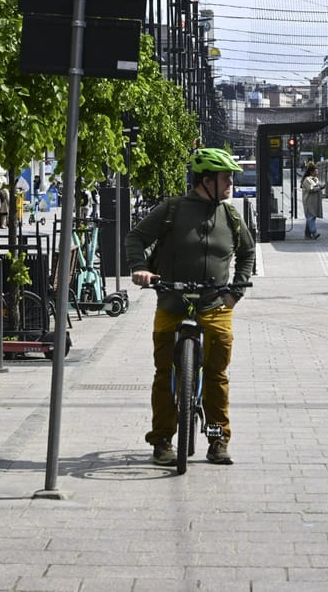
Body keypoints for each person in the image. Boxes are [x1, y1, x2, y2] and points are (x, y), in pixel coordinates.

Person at [124, 147, 256, 467]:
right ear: (206, 181)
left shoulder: (230, 216)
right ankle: (162, 441)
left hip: (215, 305)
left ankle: (216, 439)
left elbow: (247, 253)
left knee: (216, 376)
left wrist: (235, 292)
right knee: (163, 374)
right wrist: (140, 268)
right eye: (226, 178)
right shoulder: (172, 209)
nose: (231, 184)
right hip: (172, 303)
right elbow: (135, 238)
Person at [300, 162, 324, 239]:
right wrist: (319, 188)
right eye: (316, 171)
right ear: (311, 172)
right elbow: (311, 189)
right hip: (309, 202)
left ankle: (307, 235)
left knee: (311, 218)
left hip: (314, 202)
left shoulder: (316, 179)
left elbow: (317, 185)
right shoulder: (307, 179)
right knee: (310, 217)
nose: (317, 173)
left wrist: (321, 186)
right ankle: (314, 232)